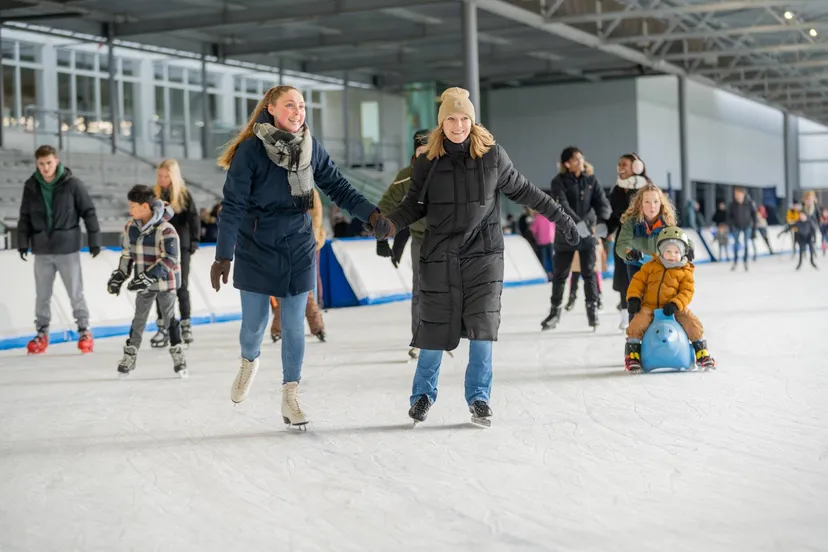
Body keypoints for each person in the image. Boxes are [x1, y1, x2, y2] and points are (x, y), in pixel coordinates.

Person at [371, 87, 579, 426]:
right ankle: (422, 396)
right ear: (442, 124)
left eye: (464, 118)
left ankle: (479, 397)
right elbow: (413, 205)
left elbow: (528, 192)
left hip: (483, 255)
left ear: (472, 120)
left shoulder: (493, 157)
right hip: (440, 255)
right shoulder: (427, 162)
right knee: (434, 328)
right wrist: (390, 224)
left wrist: (563, 219)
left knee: (483, 327)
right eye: (451, 119)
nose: (458, 125)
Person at [211, 85, 380, 429]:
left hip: (298, 244)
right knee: (255, 325)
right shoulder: (250, 151)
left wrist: (372, 215)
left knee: (293, 324)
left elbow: (338, 187)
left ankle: (290, 395)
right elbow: (233, 206)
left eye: (301, 106)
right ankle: (249, 361)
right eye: (290, 105)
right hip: (256, 244)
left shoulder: (309, 147)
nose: (298, 111)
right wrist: (223, 255)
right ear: (271, 109)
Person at [17, 144, 101, 355]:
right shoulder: (31, 186)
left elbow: (88, 211)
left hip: (67, 247)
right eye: (41, 164)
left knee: (75, 292)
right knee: (42, 295)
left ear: (57, 161)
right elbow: (24, 216)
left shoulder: (72, 184)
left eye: (49, 163)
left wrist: (94, 239)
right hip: (42, 248)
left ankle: (84, 330)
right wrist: (22, 242)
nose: (45, 168)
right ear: (37, 164)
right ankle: (42, 333)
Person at [106, 185, 187, 377]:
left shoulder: (166, 230)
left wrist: (147, 277)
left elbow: (171, 259)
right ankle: (130, 355)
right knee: (139, 319)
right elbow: (127, 255)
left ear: (144, 207)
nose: (130, 210)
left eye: (133, 206)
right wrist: (120, 276)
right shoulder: (130, 227)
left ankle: (178, 354)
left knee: (169, 319)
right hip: (144, 283)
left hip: (166, 282)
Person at [624, 227, 715, 372]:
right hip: (650, 307)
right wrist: (633, 298)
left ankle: (701, 352)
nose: (672, 255)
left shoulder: (685, 271)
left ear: (683, 253)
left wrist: (676, 303)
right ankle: (633, 354)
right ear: (660, 251)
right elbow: (637, 282)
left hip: (674, 308)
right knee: (637, 323)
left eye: (676, 252)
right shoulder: (650, 266)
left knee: (692, 322)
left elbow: (687, 291)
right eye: (668, 251)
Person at [541, 147, 611, 331]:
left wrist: (602, 221)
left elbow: (601, 202)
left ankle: (592, 310)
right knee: (560, 276)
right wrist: (575, 223)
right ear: (566, 163)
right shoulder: (558, 182)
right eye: (575, 159)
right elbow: (561, 205)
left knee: (589, 274)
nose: (580, 161)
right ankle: (555, 312)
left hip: (587, 235)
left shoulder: (590, 180)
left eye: (581, 158)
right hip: (566, 236)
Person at [376, 128, 430, 359]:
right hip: (420, 239)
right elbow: (386, 204)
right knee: (420, 289)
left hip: (449, 239)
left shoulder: (450, 171)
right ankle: (419, 339)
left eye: (429, 151)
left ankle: (449, 332)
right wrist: (380, 235)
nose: (424, 156)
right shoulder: (407, 175)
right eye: (420, 151)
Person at [149, 159, 200, 347]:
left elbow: (194, 218)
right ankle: (163, 326)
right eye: (160, 176)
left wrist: (195, 240)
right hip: (159, 247)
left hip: (180, 247)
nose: (162, 179)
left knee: (181, 285)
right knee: (160, 287)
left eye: (166, 176)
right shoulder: (153, 195)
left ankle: (185, 323)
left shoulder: (184, 195)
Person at [270, 188, 326, 343]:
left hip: (305, 245)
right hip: (282, 244)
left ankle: (313, 326)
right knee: (286, 287)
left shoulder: (308, 190)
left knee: (303, 287)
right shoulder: (275, 189)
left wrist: (310, 241)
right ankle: (315, 326)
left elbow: (316, 217)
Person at [615, 182, 694, 286]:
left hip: (660, 264)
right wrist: (629, 253)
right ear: (640, 203)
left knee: (659, 295)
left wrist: (689, 248)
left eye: (655, 202)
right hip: (637, 265)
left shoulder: (666, 222)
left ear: (660, 203)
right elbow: (621, 245)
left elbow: (682, 238)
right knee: (637, 296)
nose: (652, 206)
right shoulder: (631, 223)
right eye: (647, 202)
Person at [607, 153, 649, 330]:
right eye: (619, 164)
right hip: (622, 240)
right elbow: (613, 216)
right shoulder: (617, 190)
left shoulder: (646, 188)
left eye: (624, 164)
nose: (620, 168)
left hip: (642, 239)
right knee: (623, 278)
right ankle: (625, 314)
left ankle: (646, 312)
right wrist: (604, 228)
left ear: (637, 167)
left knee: (642, 278)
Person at [726, 187, 757, 272]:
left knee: (746, 244)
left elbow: (754, 216)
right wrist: (730, 226)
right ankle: (735, 261)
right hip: (736, 226)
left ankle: (745, 262)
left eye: (738, 194)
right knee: (735, 245)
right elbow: (729, 217)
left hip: (747, 226)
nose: (737, 196)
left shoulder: (749, 203)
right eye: (735, 194)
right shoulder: (732, 204)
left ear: (743, 194)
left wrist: (754, 229)